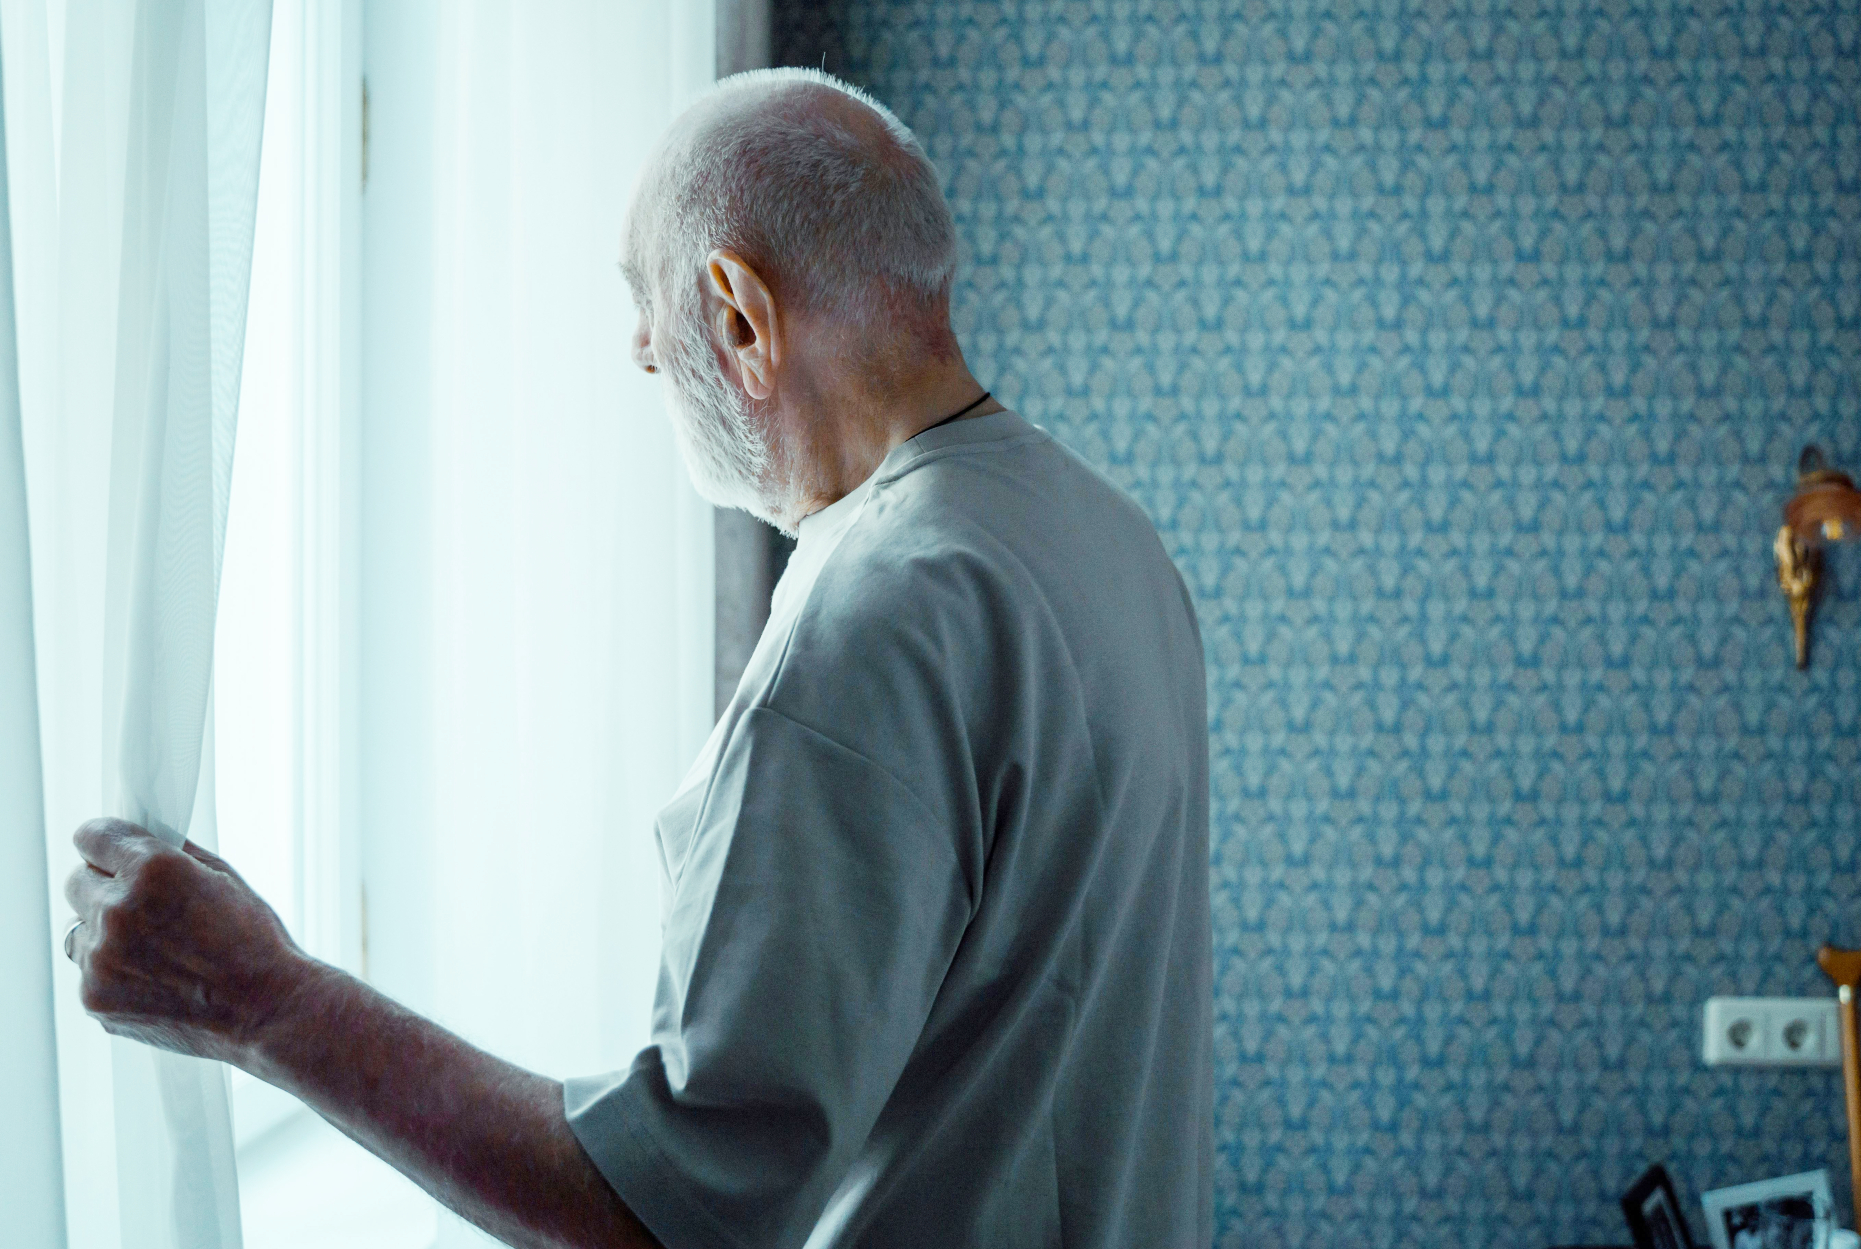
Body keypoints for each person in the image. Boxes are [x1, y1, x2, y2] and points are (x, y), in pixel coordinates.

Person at [62, 68, 1213, 1249]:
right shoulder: (1107, 537)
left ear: (738, 313)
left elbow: (669, 1216)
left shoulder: (871, 617)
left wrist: (261, 997)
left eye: (643, 294)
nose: (639, 347)